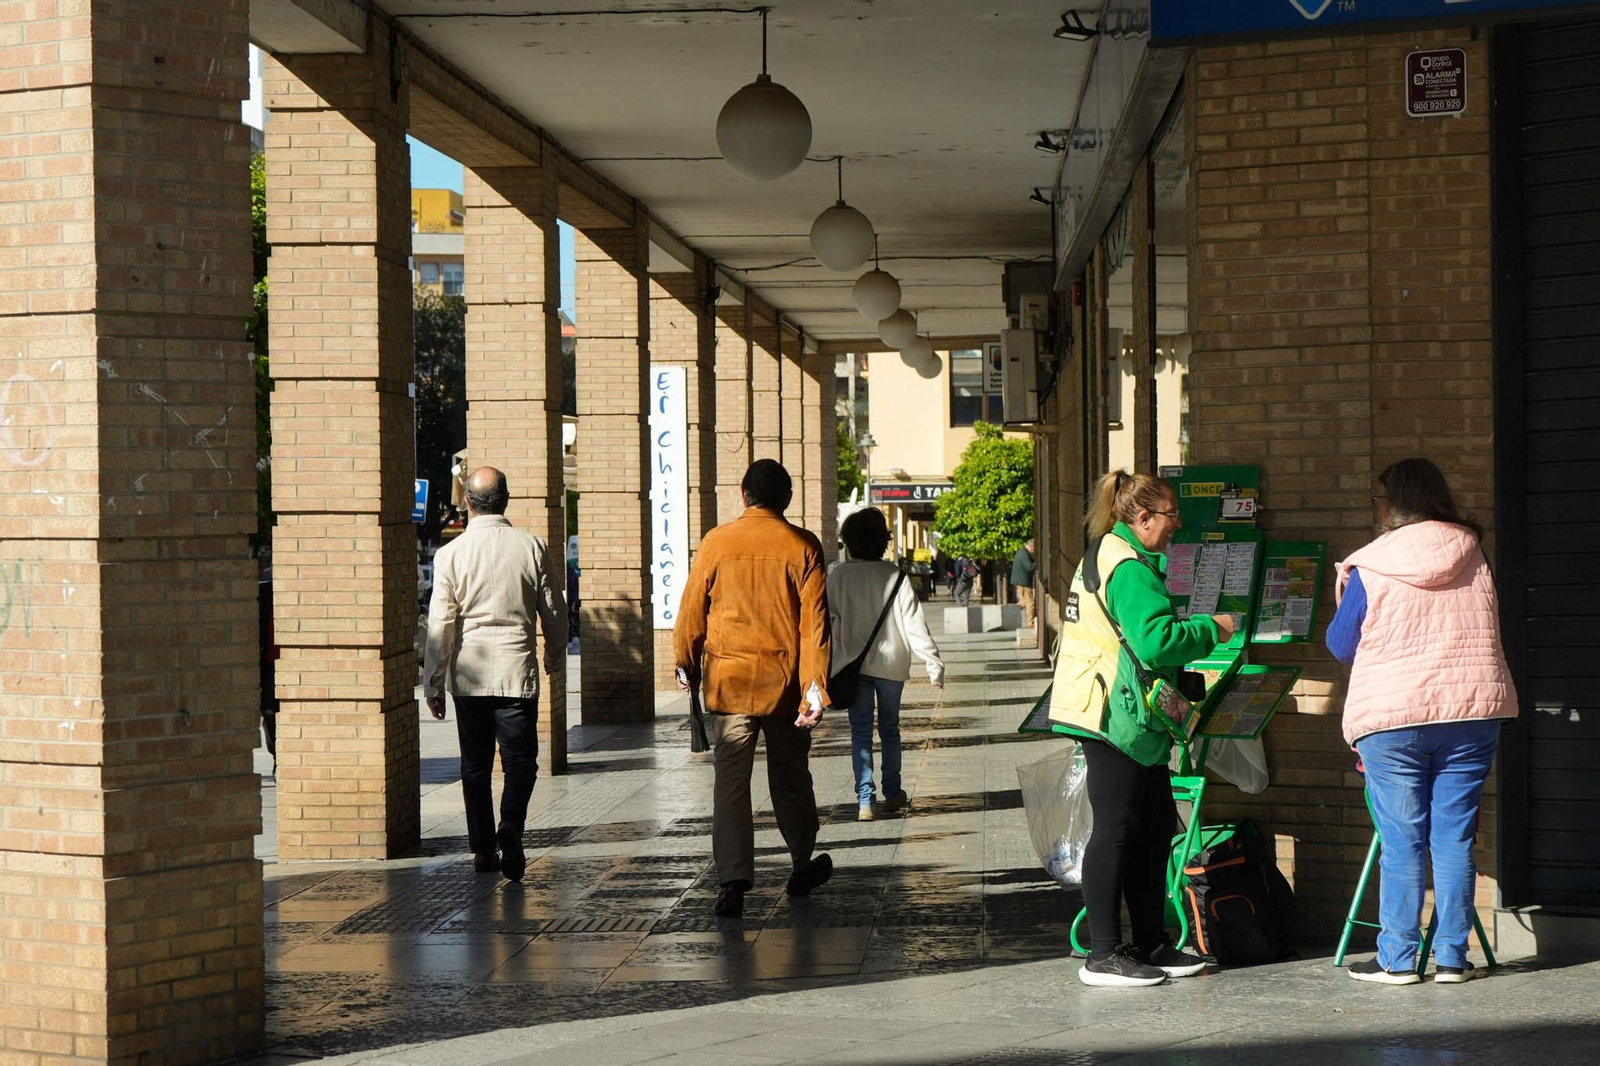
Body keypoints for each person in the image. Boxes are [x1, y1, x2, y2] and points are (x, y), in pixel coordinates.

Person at [1327, 458, 1518, 985]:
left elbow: (1342, 646)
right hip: (1471, 711)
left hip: (1395, 717)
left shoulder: (1372, 563)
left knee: (1402, 840)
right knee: (1453, 840)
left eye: (1380, 498)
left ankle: (1398, 959)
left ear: (1395, 503)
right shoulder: (1473, 551)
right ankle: (1453, 958)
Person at [1049, 470, 1234, 987]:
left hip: (1127, 713)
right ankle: (1104, 954)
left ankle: (1152, 943)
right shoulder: (1127, 566)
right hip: (1111, 716)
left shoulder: (1113, 552)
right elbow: (1153, 641)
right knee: (1118, 830)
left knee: (1153, 830)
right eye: (1172, 516)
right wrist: (1210, 629)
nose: (1178, 526)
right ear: (1142, 517)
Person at [674, 460, 834, 918]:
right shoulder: (803, 547)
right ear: (786, 498)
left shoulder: (716, 543)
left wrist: (686, 659)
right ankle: (801, 863)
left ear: (743, 494)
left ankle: (732, 882)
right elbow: (814, 627)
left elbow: (691, 612)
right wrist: (815, 689)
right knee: (791, 780)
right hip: (785, 687)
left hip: (729, 685)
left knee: (730, 784)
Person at [422, 467, 567, 882]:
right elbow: (554, 614)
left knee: (475, 766)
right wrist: (554, 659)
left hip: (468, 677)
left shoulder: (450, 554)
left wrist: (433, 684)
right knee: (521, 763)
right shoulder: (531, 547)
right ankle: (511, 827)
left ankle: (484, 849)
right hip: (516, 672)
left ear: (468, 501)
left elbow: (441, 625)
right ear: (505, 500)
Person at [828, 508, 945, 822]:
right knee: (890, 729)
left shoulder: (837, 575)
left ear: (849, 542)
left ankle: (865, 800)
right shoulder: (896, 575)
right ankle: (893, 793)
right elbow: (914, 624)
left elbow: (826, 622)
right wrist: (933, 663)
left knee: (860, 733)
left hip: (852, 666)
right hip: (891, 664)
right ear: (883, 542)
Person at [1011, 537, 1037, 628]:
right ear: (1031, 546)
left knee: (1024, 602)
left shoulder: (1022, 552)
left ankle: (1024, 620)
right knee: (1030, 602)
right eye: (1034, 548)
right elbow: (1030, 567)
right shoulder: (1024, 555)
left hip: (1021, 581)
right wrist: (1038, 561)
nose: (1034, 551)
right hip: (1024, 582)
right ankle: (1030, 622)